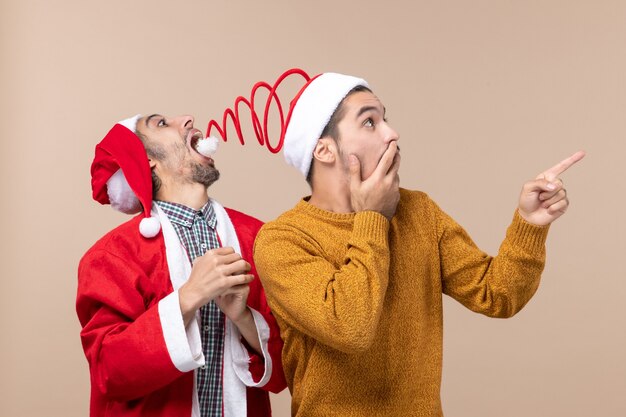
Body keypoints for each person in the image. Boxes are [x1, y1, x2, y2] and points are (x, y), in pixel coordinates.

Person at [251, 71, 585, 416]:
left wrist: (529, 224)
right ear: (324, 149)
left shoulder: (419, 212)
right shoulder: (282, 240)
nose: (391, 133)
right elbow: (349, 327)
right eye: (369, 122)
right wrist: (373, 218)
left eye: (385, 119)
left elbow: (497, 295)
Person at [77, 113, 286, 417]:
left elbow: (291, 364)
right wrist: (189, 297)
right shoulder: (111, 256)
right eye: (160, 124)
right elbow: (109, 371)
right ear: (146, 159)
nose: (188, 118)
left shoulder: (260, 238)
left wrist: (243, 317)